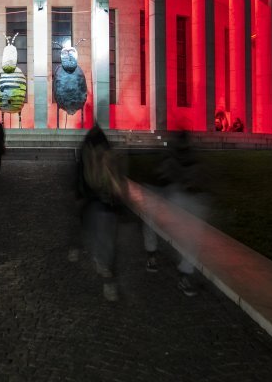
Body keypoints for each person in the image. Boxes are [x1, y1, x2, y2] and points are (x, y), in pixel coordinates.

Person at [141, 130, 206, 296]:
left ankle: (183, 273)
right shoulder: (169, 157)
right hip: (158, 191)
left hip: (173, 193)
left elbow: (190, 180)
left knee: (192, 234)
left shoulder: (189, 158)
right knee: (150, 222)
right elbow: (163, 175)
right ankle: (152, 255)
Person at [74, 123, 126, 301]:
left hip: (95, 203)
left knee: (100, 238)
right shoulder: (110, 155)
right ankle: (106, 274)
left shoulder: (87, 154)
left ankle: (106, 274)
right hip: (107, 204)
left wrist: (79, 196)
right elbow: (120, 181)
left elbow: (80, 177)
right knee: (106, 241)